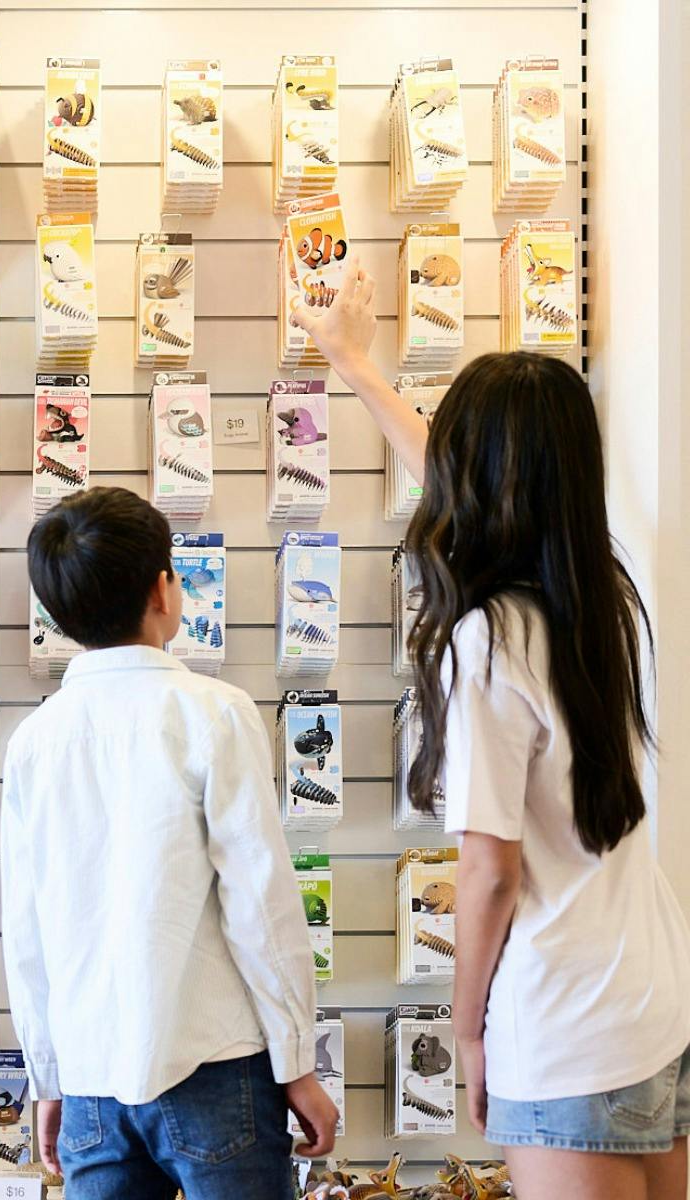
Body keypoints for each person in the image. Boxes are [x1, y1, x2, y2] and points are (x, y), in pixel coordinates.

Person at [292, 271, 690, 1200]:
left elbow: (490, 868)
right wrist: (354, 366)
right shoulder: (599, 600)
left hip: (560, 1027)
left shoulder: (486, 640)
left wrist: (466, 1028)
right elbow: (464, 484)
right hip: (650, 1001)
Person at [2, 487, 338, 1199]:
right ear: (164, 589)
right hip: (217, 1065)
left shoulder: (35, 742)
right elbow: (262, 904)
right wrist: (299, 1061)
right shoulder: (214, 714)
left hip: (92, 1078)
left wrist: (48, 1077)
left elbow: (27, 934)